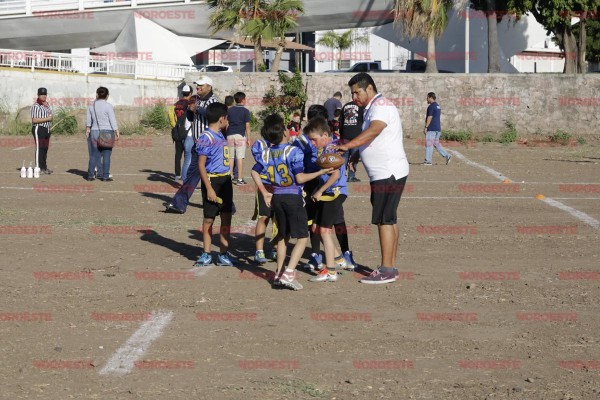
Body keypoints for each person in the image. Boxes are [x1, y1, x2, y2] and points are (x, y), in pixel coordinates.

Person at [335, 73, 409, 284]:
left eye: (357, 92)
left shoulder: (381, 106)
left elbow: (375, 130)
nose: (354, 97)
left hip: (387, 172)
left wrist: (348, 147)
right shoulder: (371, 109)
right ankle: (390, 266)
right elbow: (371, 137)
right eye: (352, 93)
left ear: (369, 89)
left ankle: (386, 270)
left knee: (384, 220)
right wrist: (357, 155)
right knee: (389, 218)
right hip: (387, 171)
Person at [251, 114, 332, 291]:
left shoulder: (265, 152)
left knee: (283, 236)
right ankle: (289, 272)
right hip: (293, 197)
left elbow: (254, 172)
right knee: (302, 237)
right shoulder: (293, 151)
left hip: (277, 196)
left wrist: (264, 192)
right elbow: (300, 177)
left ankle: (279, 274)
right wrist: (320, 172)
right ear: (285, 133)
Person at [305, 117, 351, 283]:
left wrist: (320, 191)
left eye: (314, 139)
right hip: (328, 193)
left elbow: (336, 174)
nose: (312, 142)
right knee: (317, 227)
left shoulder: (330, 149)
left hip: (334, 194)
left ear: (325, 135)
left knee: (324, 230)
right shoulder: (325, 149)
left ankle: (330, 271)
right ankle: (339, 259)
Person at [164, 76, 219, 213]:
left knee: (216, 178)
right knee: (192, 177)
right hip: (198, 144)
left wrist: (197, 109)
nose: (198, 87)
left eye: (201, 85)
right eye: (197, 85)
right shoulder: (197, 100)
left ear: (209, 87)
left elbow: (214, 115)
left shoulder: (214, 100)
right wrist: (190, 110)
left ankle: (226, 205)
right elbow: (191, 117)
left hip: (209, 145)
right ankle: (179, 204)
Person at [193, 103, 234, 267]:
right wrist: (209, 188)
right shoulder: (206, 137)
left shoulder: (220, 135)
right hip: (213, 181)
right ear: (222, 118)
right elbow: (201, 165)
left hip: (225, 181)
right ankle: (206, 253)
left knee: (226, 217)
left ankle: (223, 253)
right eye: (227, 118)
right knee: (209, 219)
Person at [250, 131, 276, 264]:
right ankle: (259, 251)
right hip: (265, 184)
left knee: (278, 218)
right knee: (264, 216)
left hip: (280, 185)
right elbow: (260, 162)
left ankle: (275, 247)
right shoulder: (260, 145)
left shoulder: (285, 146)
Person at [85, 86, 120, 181]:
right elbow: (112, 120)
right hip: (107, 132)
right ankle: (105, 176)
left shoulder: (91, 105)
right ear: (107, 96)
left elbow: (88, 120)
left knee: (94, 155)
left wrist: (88, 128)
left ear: (97, 94)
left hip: (94, 131)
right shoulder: (108, 106)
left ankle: (90, 175)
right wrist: (116, 130)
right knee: (106, 155)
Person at [226, 92, 251, 185]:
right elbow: (247, 126)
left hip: (230, 134)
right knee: (240, 157)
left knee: (231, 157)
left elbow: (227, 123)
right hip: (240, 135)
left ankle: (230, 176)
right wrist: (248, 138)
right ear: (243, 100)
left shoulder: (230, 110)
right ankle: (239, 179)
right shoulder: (245, 111)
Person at [171, 84, 193, 180]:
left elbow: (172, 118)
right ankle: (185, 174)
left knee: (178, 154)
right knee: (188, 155)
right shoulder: (189, 105)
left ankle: (177, 174)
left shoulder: (176, 104)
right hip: (186, 131)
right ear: (190, 93)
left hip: (177, 130)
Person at [423, 92, 451, 165]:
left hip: (431, 128)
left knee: (429, 144)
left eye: (427, 97)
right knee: (436, 144)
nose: (427, 99)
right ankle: (447, 155)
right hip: (438, 129)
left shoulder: (431, 106)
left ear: (430, 97)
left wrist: (426, 127)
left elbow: (430, 117)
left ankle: (428, 161)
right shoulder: (438, 106)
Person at [339, 100, 364, 182]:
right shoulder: (361, 107)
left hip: (345, 135)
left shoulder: (345, 105)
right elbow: (364, 121)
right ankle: (351, 176)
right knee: (354, 156)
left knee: (344, 156)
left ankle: (341, 176)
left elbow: (341, 121)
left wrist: (341, 135)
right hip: (356, 136)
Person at [31, 87, 53, 175]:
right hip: (38, 128)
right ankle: (38, 168)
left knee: (44, 149)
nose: (43, 96)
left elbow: (50, 117)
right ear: (38, 95)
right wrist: (47, 118)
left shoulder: (47, 105)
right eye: (42, 94)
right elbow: (34, 120)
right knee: (39, 148)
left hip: (46, 129)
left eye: (45, 94)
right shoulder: (36, 106)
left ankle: (44, 167)